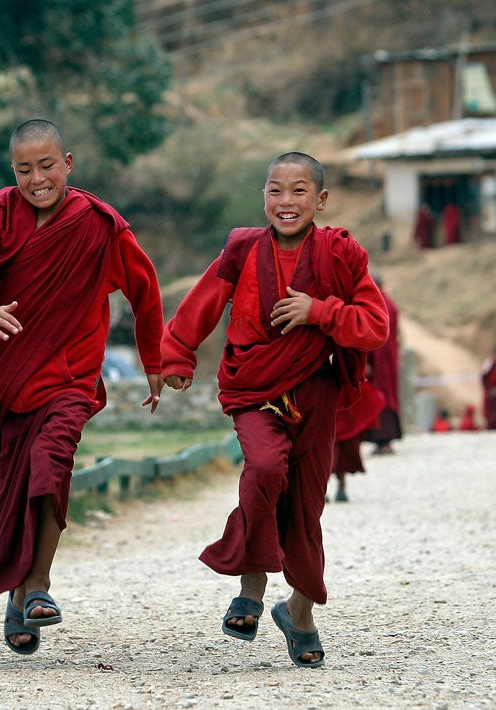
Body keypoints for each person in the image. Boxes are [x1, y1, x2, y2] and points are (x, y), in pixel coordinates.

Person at [0, 119, 164, 655]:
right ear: (13, 172)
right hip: (6, 382)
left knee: (51, 464)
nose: (37, 178)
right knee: (11, 486)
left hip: (70, 378)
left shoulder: (99, 225)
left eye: (47, 165)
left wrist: (153, 358)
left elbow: (144, 289)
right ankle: (19, 597)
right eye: (24, 169)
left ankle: (39, 586)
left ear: (69, 164)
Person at [161, 152, 389, 669]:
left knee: (306, 508)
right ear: (263, 196)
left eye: (299, 191)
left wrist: (320, 311)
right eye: (275, 191)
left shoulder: (340, 253)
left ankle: (300, 613)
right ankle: (251, 586)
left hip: (314, 391)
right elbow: (201, 304)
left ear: (321, 200)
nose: (286, 202)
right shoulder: (242, 249)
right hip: (254, 388)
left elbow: (375, 327)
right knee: (263, 469)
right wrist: (176, 352)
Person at [328, 381, 385, 504]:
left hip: (343, 395)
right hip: (327, 394)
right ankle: (326, 488)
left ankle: (340, 485)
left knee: (341, 449)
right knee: (324, 449)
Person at [365, 273, 402, 454]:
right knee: (386, 396)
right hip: (388, 358)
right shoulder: (390, 303)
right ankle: (384, 441)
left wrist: (367, 359)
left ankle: (383, 440)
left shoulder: (378, 302)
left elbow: (371, 333)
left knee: (380, 396)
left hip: (379, 359)